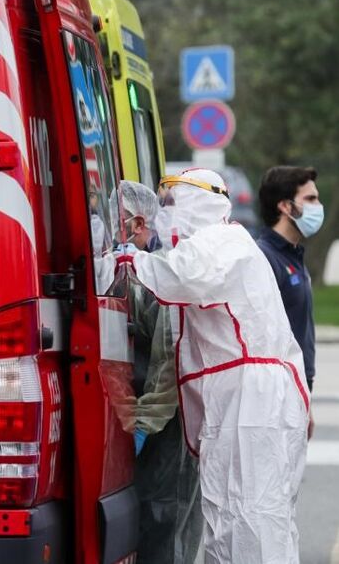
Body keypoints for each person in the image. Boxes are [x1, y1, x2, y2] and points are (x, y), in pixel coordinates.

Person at [119, 168, 309, 564]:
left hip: (250, 402)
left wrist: (127, 261)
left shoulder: (220, 242)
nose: (165, 214)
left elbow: (180, 276)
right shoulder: (218, 244)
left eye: (171, 203)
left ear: (196, 202)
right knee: (234, 517)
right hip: (244, 399)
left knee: (251, 519)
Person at [113, 180, 201, 564]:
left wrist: (143, 424)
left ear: (136, 223)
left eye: (113, 220)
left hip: (169, 428)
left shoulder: (160, 277)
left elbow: (169, 366)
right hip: (148, 424)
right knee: (152, 520)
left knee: (167, 520)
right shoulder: (131, 272)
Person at [256, 166, 321, 396]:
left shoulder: (293, 255)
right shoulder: (264, 257)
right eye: (310, 199)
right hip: (279, 388)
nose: (318, 207)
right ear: (285, 206)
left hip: (300, 384)